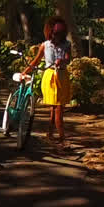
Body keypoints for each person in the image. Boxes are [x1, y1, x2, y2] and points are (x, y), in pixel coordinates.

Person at [23, 17, 72, 146]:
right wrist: (25, 72)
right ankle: (62, 137)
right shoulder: (45, 45)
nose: (57, 36)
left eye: (60, 33)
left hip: (62, 77)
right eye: (55, 33)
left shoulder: (67, 45)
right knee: (57, 108)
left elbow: (68, 59)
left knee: (56, 108)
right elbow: (36, 61)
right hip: (49, 77)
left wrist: (62, 61)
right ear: (50, 32)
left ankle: (50, 134)